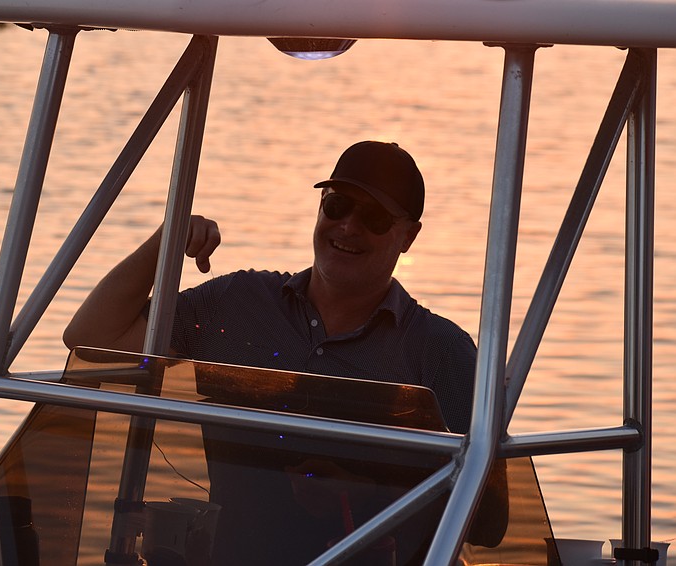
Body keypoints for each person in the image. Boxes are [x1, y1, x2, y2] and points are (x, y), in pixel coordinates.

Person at [64, 141, 484, 564]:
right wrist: (166, 240)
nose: (348, 226)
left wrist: (359, 492)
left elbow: (490, 517)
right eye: (337, 205)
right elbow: (93, 338)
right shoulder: (237, 303)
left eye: (374, 217)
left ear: (408, 235)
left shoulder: (441, 351)